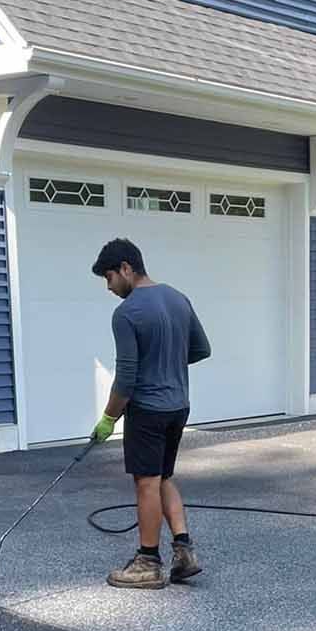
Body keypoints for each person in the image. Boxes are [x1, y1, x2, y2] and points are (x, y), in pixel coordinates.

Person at [89, 238, 212, 589]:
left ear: (126, 268)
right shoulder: (178, 298)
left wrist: (108, 418)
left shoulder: (127, 313)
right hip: (178, 406)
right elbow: (201, 349)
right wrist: (167, 360)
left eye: (109, 277)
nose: (109, 287)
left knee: (146, 483)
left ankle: (147, 562)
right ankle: (184, 552)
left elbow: (126, 378)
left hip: (147, 409)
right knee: (163, 478)